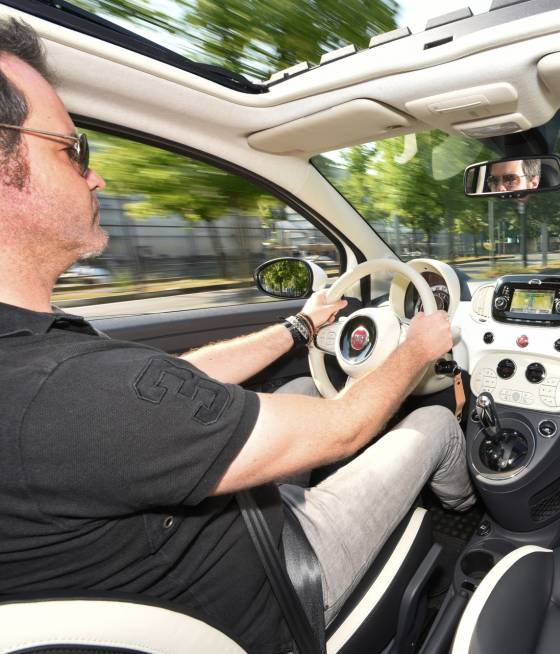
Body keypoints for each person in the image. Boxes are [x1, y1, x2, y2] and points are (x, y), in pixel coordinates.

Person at [0, 18, 473, 653]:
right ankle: (468, 521)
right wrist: (420, 348)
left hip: (177, 559)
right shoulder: (66, 392)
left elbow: (170, 389)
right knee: (436, 425)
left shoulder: (35, 358)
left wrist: (301, 326)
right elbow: (346, 429)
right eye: (72, 149)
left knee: (308, 380)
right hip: (278, 585)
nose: (97, 177)